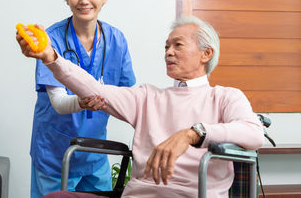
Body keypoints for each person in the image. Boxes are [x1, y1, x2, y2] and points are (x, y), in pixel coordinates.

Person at [17, 15, 265, 198]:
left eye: (178, 45)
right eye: (166, 46)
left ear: (206, 54)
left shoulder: (224, 97)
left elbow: (254, 133)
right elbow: (96, 90)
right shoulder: (148, 97)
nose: (168, 52)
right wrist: (51, 58)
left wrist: (193, 134)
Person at [17, 0, 136, 198]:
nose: (84, 0)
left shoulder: (116, 39)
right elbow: (59, 103)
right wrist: (83, 101)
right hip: (55, 152)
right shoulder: (50, 39)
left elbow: (128, 95)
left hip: (94, 153)